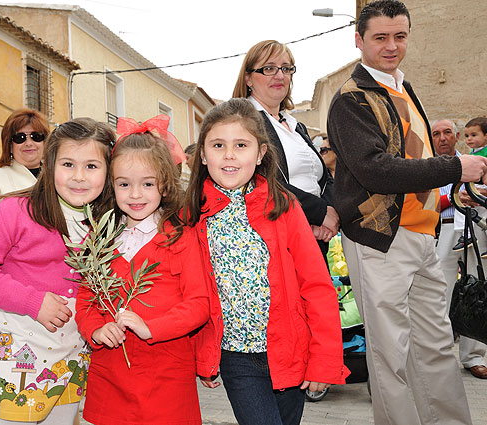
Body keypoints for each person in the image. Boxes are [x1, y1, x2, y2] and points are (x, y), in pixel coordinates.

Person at [326, 1, 487, 423]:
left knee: (435, 347)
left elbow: (413, 155)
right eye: (380, 37)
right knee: (389, 355)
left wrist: (451, 193)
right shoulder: (350, 98)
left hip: (423, 238)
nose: (392, 46)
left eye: (400, 36)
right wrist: (455, 168)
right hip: (380, 239)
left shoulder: (403, 86)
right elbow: (374, 170)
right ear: (359, 40)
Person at [185, 98, 347, 425]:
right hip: (237, 358)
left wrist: (323, 359)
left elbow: (316, 286)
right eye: (218, 145)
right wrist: (203, 356)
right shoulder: (190, 216)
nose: (229, 154)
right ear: (203, 153)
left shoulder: (283, 206)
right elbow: (187, 292)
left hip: (291, 351)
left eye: (241, 145)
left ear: (260, 154)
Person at [0, 118, 115, 424]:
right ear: (49, 162)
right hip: (16, 352)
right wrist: (34, 302)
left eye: (92, 166)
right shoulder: (13, 211)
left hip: (69, 355)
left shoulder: (107, 220)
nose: (79, 177)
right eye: (68, 164)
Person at [75, 115, 210, 425]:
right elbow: (85, 296)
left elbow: (199, 304)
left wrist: (154, 327)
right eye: (124, 184)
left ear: (164, 184)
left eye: (147, 184)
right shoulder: (101, 238)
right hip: (111, 374)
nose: (135, 195)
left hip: (166, 377)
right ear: (112, 185)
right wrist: (95, 328)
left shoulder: (181, 237)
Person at [233, 40, 338, 255]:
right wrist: (318, 213)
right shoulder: (241, 121)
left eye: (286, 68)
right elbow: (260, 181)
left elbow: (324, 176)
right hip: (275, 240)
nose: (280, 76)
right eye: (269, 68)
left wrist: (329, 215)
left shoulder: (295, 125)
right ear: (248, 78)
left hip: (314, 237)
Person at [432, 119, 487, 379]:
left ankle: (473, 356)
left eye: (446, 133)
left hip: (473, 228)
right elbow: (424, 204)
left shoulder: (472, 163)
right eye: (436, 134)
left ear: (456, 137)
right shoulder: (425, 168)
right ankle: (439, 355)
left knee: (476, 290)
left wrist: (475, 195)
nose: (442, 138)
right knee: (438, 292)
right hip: (443, 228)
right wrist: (451, 199)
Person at [0, 108, 50, 207]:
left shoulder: (57, 179)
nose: (28, 143)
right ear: (9, 146)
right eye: (20, 138)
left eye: (36, 136)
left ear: (45, 143)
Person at [452, 116, 487, 251]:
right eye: (467, 136)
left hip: (483, 185)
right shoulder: (472, 153)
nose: (469, 139)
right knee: (462, 204)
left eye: (474, 135)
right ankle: (465, 234)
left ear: (486, 136)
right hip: (475, 186)